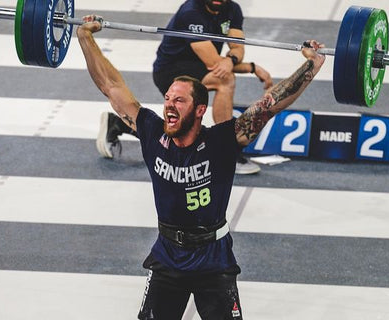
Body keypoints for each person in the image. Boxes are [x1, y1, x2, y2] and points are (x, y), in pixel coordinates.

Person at [77, 14, 324, 320]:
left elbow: (271, 103)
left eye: (179, 101)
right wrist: (85, 38)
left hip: (213, 260)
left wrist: (311, 65)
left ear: (199, 110)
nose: (168, 105)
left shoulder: (223, 142)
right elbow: (111, 86)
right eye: (167, 98)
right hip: (168, 255)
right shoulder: (153, 133)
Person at [97, 0, 273, 175]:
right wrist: (252, 67)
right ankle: (226, 151)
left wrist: (232, 59)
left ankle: (119, 124)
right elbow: (214, 64)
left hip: (198, 67)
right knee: (224, 80)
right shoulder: (191, 13)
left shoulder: (233, 9)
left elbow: (237, 50)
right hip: (171, 69)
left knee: (183, 130)